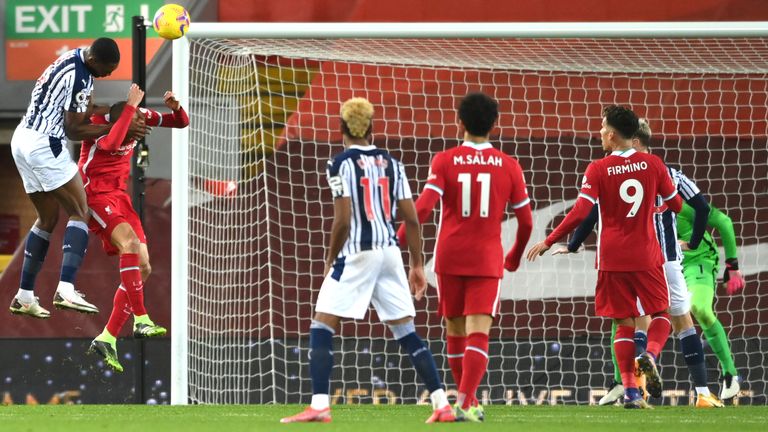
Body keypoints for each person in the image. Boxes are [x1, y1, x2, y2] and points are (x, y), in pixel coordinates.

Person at [280, 98, 455, 424]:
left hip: (357, 253)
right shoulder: (393, 163)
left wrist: (330, 257)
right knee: (406, 330)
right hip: (390, 252)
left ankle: (319, 405)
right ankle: (442, 403)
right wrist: (417, 265)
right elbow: (413, 219)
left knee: (321, 325)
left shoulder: (339, 164)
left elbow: (343, 220)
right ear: (372, 128)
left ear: (342, 128)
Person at [556, 119, 723, 408]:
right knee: (680, 322)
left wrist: (570, 244)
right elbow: (702, 208)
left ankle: (634, 388)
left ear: (633, 141)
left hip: (627, 257)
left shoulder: (609, 170)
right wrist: (696, 242)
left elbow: (591, 212)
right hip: (665, 258)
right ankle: (702, 391)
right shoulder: (667, 171)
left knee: (630, 322)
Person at [526, 105, 683, 409]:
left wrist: (549, 240)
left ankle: (631, 393)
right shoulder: (653, 164)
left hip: (611, 258)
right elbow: (675, 204)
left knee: (623, 323)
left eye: (601, 128)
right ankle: (649, 356)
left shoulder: (597, 169)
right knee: (661, 314)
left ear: (611, 135)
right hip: (646, 254)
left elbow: (581, 212)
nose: (599, 133)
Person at [396, 92, 532, 422]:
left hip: (449, 257)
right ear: (495, 125)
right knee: (478, 332)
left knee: (454, 330)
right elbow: (526, 221)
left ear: (459, 122)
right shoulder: (509, 166)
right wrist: (513, 257)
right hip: (486, 259)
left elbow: (424, 208)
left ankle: (465, 401)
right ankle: (468, 401)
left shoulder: (445, 160)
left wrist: (394, 239)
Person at [9, 37, 144, 318]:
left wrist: (112, 113)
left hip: (22, 138)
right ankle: (66, 289)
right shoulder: (82, 76)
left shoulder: (73, 59)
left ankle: (24, 296)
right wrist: (116, 130)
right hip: (46, 144)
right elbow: (74, 129)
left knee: (47, 219)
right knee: (80, 211)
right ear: (94, 61)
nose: (108, 74)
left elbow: (81, 110)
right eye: (107, 69)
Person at [79, 84, 189, 372]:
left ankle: (107, 337)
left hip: (120, 196)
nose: (145, 126)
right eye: (138, 121)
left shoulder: (135, 117)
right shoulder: (98, 127)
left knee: (145, 267)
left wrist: (175, 107)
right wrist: (129, 108)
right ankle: (141, 318)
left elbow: (181, 122)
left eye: (144, 120)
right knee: (129, 245)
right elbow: (112, 145)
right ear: (121, 121)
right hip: (95, 194)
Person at [678, 201, 745, 400]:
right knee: (631, 311)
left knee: (699, 308)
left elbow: (724, 222)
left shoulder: (681, 204)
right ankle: (623, 383)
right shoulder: (640, 206)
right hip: (661, 266)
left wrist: (732, 265)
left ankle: (730, 373)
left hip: (696, 261)